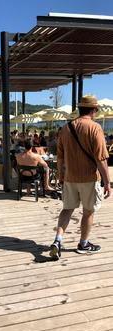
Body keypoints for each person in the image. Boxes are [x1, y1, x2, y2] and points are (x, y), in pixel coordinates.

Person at [49, 95, 111, 259]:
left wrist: (60, 176)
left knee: (67, 209)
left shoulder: (66, 128)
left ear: (80, 109)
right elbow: (101, 158)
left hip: (70, 178)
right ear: (94, 110)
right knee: (88, 212)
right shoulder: (95, 128)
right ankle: (83, 244)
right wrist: (107, 182)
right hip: (89, 178)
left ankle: (57, 240)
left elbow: (60, 157)